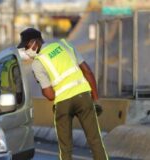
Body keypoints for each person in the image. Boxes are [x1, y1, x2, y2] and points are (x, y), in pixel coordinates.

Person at [17, 28, 108, 160]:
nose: (26, 51)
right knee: (95, 141)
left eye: (26, 46)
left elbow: (50, 95)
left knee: (65, 149)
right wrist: (95, 98)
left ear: (34, 42)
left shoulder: (37, 63)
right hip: (83, 96)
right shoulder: (65, 45)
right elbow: (87, 71)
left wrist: (42, 85)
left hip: (63, 103)